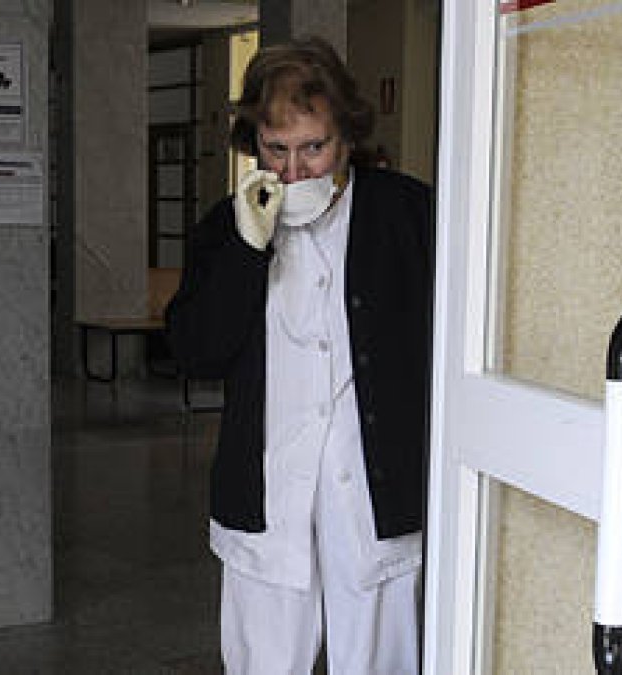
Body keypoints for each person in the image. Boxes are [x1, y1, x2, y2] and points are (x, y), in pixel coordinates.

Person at [165, 36, 433, 674]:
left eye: (314, 148)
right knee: (264, 660)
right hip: (268, 484)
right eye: (275, 149)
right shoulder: (225, 226)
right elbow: (194, 350)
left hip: (374, 484)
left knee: (380, 658)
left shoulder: (408, 214)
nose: (293, 172)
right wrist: (244, 250)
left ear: (346, 138)